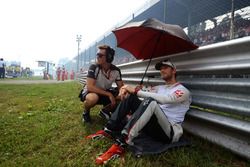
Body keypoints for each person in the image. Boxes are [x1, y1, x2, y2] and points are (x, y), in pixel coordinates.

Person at [86, 59, 191, 165]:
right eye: (160, 69)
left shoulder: (183, 90)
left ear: (174, 71)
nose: (162, 70)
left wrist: (136, 91)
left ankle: (122, 143)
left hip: (169, 132)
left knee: (150, 102)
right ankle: (108, 129)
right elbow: (140, 91)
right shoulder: (159, 88)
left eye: (165, 68)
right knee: (132, 97)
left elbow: (166, 99)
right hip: (153, 127)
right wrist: (125, 89)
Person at [81, 44, 123, 123]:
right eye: (97, 55)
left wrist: (123, 93)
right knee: (92, 99)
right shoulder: (93, 67)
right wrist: (109, 94)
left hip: (104, 92)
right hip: (91, 92)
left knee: (123, 95)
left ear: (109, 57)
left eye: (100, 55)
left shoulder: (116, 70)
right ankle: (86, 112)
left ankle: (105, 110)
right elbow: (90, 87)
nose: (97, 57)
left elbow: (121, 87)